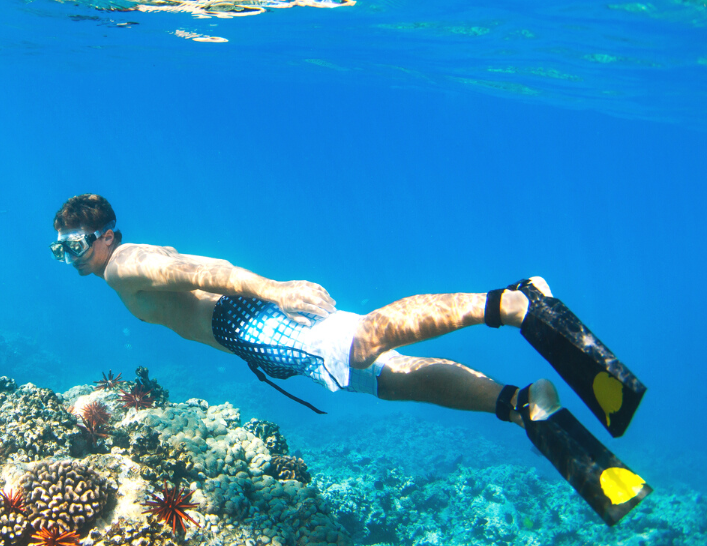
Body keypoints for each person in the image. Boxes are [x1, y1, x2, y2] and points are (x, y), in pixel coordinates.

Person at [50, 193, 650, 526]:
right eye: (59, 250)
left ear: (105, 236)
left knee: (365, 340)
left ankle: (513, 303)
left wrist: (273, 291)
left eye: (74, 245)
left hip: (254, 322)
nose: (69, 257)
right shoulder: (118, 270)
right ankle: (519, 405)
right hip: (254, 337)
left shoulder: (124, 265)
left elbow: (197, 270)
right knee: (391, 379)